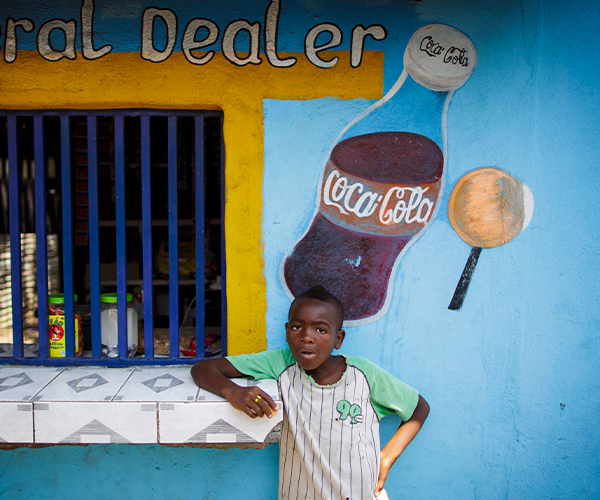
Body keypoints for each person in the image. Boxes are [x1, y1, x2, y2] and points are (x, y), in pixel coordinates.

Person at [191, 285, 429, 500]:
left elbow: (418, 407)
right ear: (287, 331)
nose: (306, 336)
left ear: (338, 339)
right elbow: (202, 368)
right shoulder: (280, 364)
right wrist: (232, 391)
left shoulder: (364, 375)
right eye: (297, 327)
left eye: (321, 330)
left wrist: (386, 457)